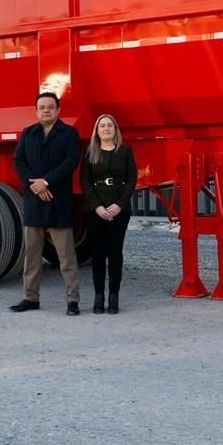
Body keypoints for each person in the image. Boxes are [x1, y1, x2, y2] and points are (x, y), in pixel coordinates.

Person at [10, 91, 82, 315]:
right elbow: (18, 161)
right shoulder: (28, 133)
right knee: (31, 255)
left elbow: (71, 162)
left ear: (58, 110)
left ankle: (72, 301)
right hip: (34, 200)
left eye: (50, 107)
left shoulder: (69, 134)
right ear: (36, 111)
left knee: (66, 256)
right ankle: (30, 298)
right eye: (42, 107)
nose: (46, 110)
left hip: (58, 200)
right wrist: (35, 186)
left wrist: (46, 182)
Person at [79, 114, 137, 314]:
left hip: (120, 211)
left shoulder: (125, 151)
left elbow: (131, 180)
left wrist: (119, 205)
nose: (106, 128)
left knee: (115, 253)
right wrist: (97, 207)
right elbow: (85, 182)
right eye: (102, 125)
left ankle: (114, 295)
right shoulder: (90, 153)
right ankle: (98, 295)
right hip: (95, 211)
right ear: (96, 130)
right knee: (97, 254)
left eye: (109, 125)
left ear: (115, 129)